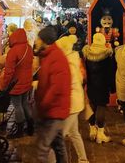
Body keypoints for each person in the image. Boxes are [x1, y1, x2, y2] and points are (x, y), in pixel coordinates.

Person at [34, 27, 71, 163]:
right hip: (52, 109)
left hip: (54, 110)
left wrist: (43, 104)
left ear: (45, 41)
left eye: (38, 39)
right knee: (58, 146)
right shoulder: (48, 55)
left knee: (42, 149)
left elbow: (57, 87)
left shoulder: (56, 58)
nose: (36, 41)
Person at [56, 35, 89, 163]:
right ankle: (83, 159)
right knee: (74, 133)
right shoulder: (73, 59)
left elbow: (64, 85)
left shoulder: (67, 64)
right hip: (75, 102)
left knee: (59, 137)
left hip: (71, 103)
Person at [2, 28, 34, 138]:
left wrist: (4, 85)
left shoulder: (13, 51)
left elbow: (9, 72)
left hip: (16, 83)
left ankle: (20, 130)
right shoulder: (28, 48)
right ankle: (30, 126)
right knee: (25, 103)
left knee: (17, 106)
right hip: (27, 81)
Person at [83, 32, 114, 144]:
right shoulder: (107, 54)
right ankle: (100, 134)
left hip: (91, 84)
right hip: (103, 84)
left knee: (92, 105)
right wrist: (112, 87)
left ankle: (92, 130)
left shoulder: (87, 52)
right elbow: (110, 72)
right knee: (101, 107)